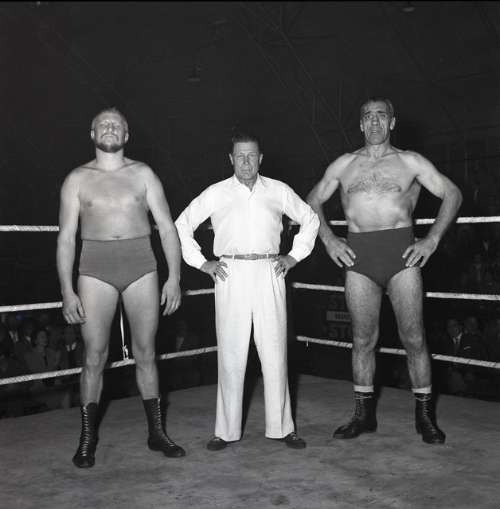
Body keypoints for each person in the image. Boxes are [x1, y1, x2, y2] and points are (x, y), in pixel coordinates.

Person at [307, 97, 462, 444]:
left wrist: (432, 239)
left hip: (402, 256)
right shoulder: (344, 164)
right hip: (359, 259)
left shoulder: (410, 161)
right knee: (362, 340)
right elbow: (312, 200)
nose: (374, 122)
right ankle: (363, 416)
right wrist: (329, 239)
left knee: (414, 337)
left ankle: (425, 417)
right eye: (368, 116)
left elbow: (452, 193)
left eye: (381, 116)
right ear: (360, 124)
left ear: (392, 122)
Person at [56, 107, 185, 468]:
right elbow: (66, 238)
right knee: (94, 356)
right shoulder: (77, 179)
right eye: (103, 124)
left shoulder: (143, 173)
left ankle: (157, 433)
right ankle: (87, 439)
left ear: (126, 135)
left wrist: (174, 277)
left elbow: (167, 227)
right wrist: (66, 290)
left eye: (117, 125)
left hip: (141, 264)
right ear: (92, 133)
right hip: (94, 267)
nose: (110, 128)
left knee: (146, 352)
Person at [175, 131, 319, 451]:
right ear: (230, 159)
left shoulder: (278, 190)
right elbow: (182, 224)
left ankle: (282, 427)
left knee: (275, 351)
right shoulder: (216, 192)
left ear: (260, 158)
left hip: (270, 270)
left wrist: (294, 256)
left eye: (251, 155)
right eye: (239, 155)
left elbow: (310, 218)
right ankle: (225, 431)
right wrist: (202, 263)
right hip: (231, 272)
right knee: (231, 353)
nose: (245, 161)